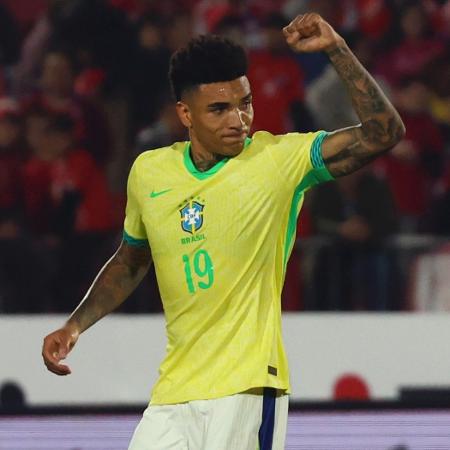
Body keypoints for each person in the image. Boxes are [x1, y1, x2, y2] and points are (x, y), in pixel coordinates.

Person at [42, 13, 405, 450]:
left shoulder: (278, 161)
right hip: (173, 395)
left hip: (248, 389)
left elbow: (385, 133)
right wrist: (75, 326)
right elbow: (133, 257)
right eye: (219, 109)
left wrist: (336, 50)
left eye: (245, 102)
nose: (239, 119)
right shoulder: (150, 172)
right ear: (185, 114)